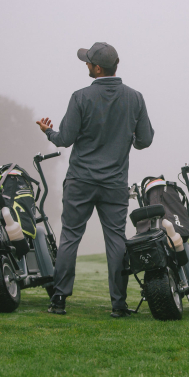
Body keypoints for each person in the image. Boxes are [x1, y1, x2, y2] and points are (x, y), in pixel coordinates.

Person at [36, 42, 154, 317]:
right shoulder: (135, 98)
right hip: (114, 183)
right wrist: (127, 139)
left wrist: (48, 132)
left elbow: (64, 139)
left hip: (81, 180)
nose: (86, 65)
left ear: (98, 68)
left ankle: (59, 300)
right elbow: (145, 140)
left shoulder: (80, 97)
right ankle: (118, 305)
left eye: (88, 62)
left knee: (70, 238)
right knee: (116, 240)